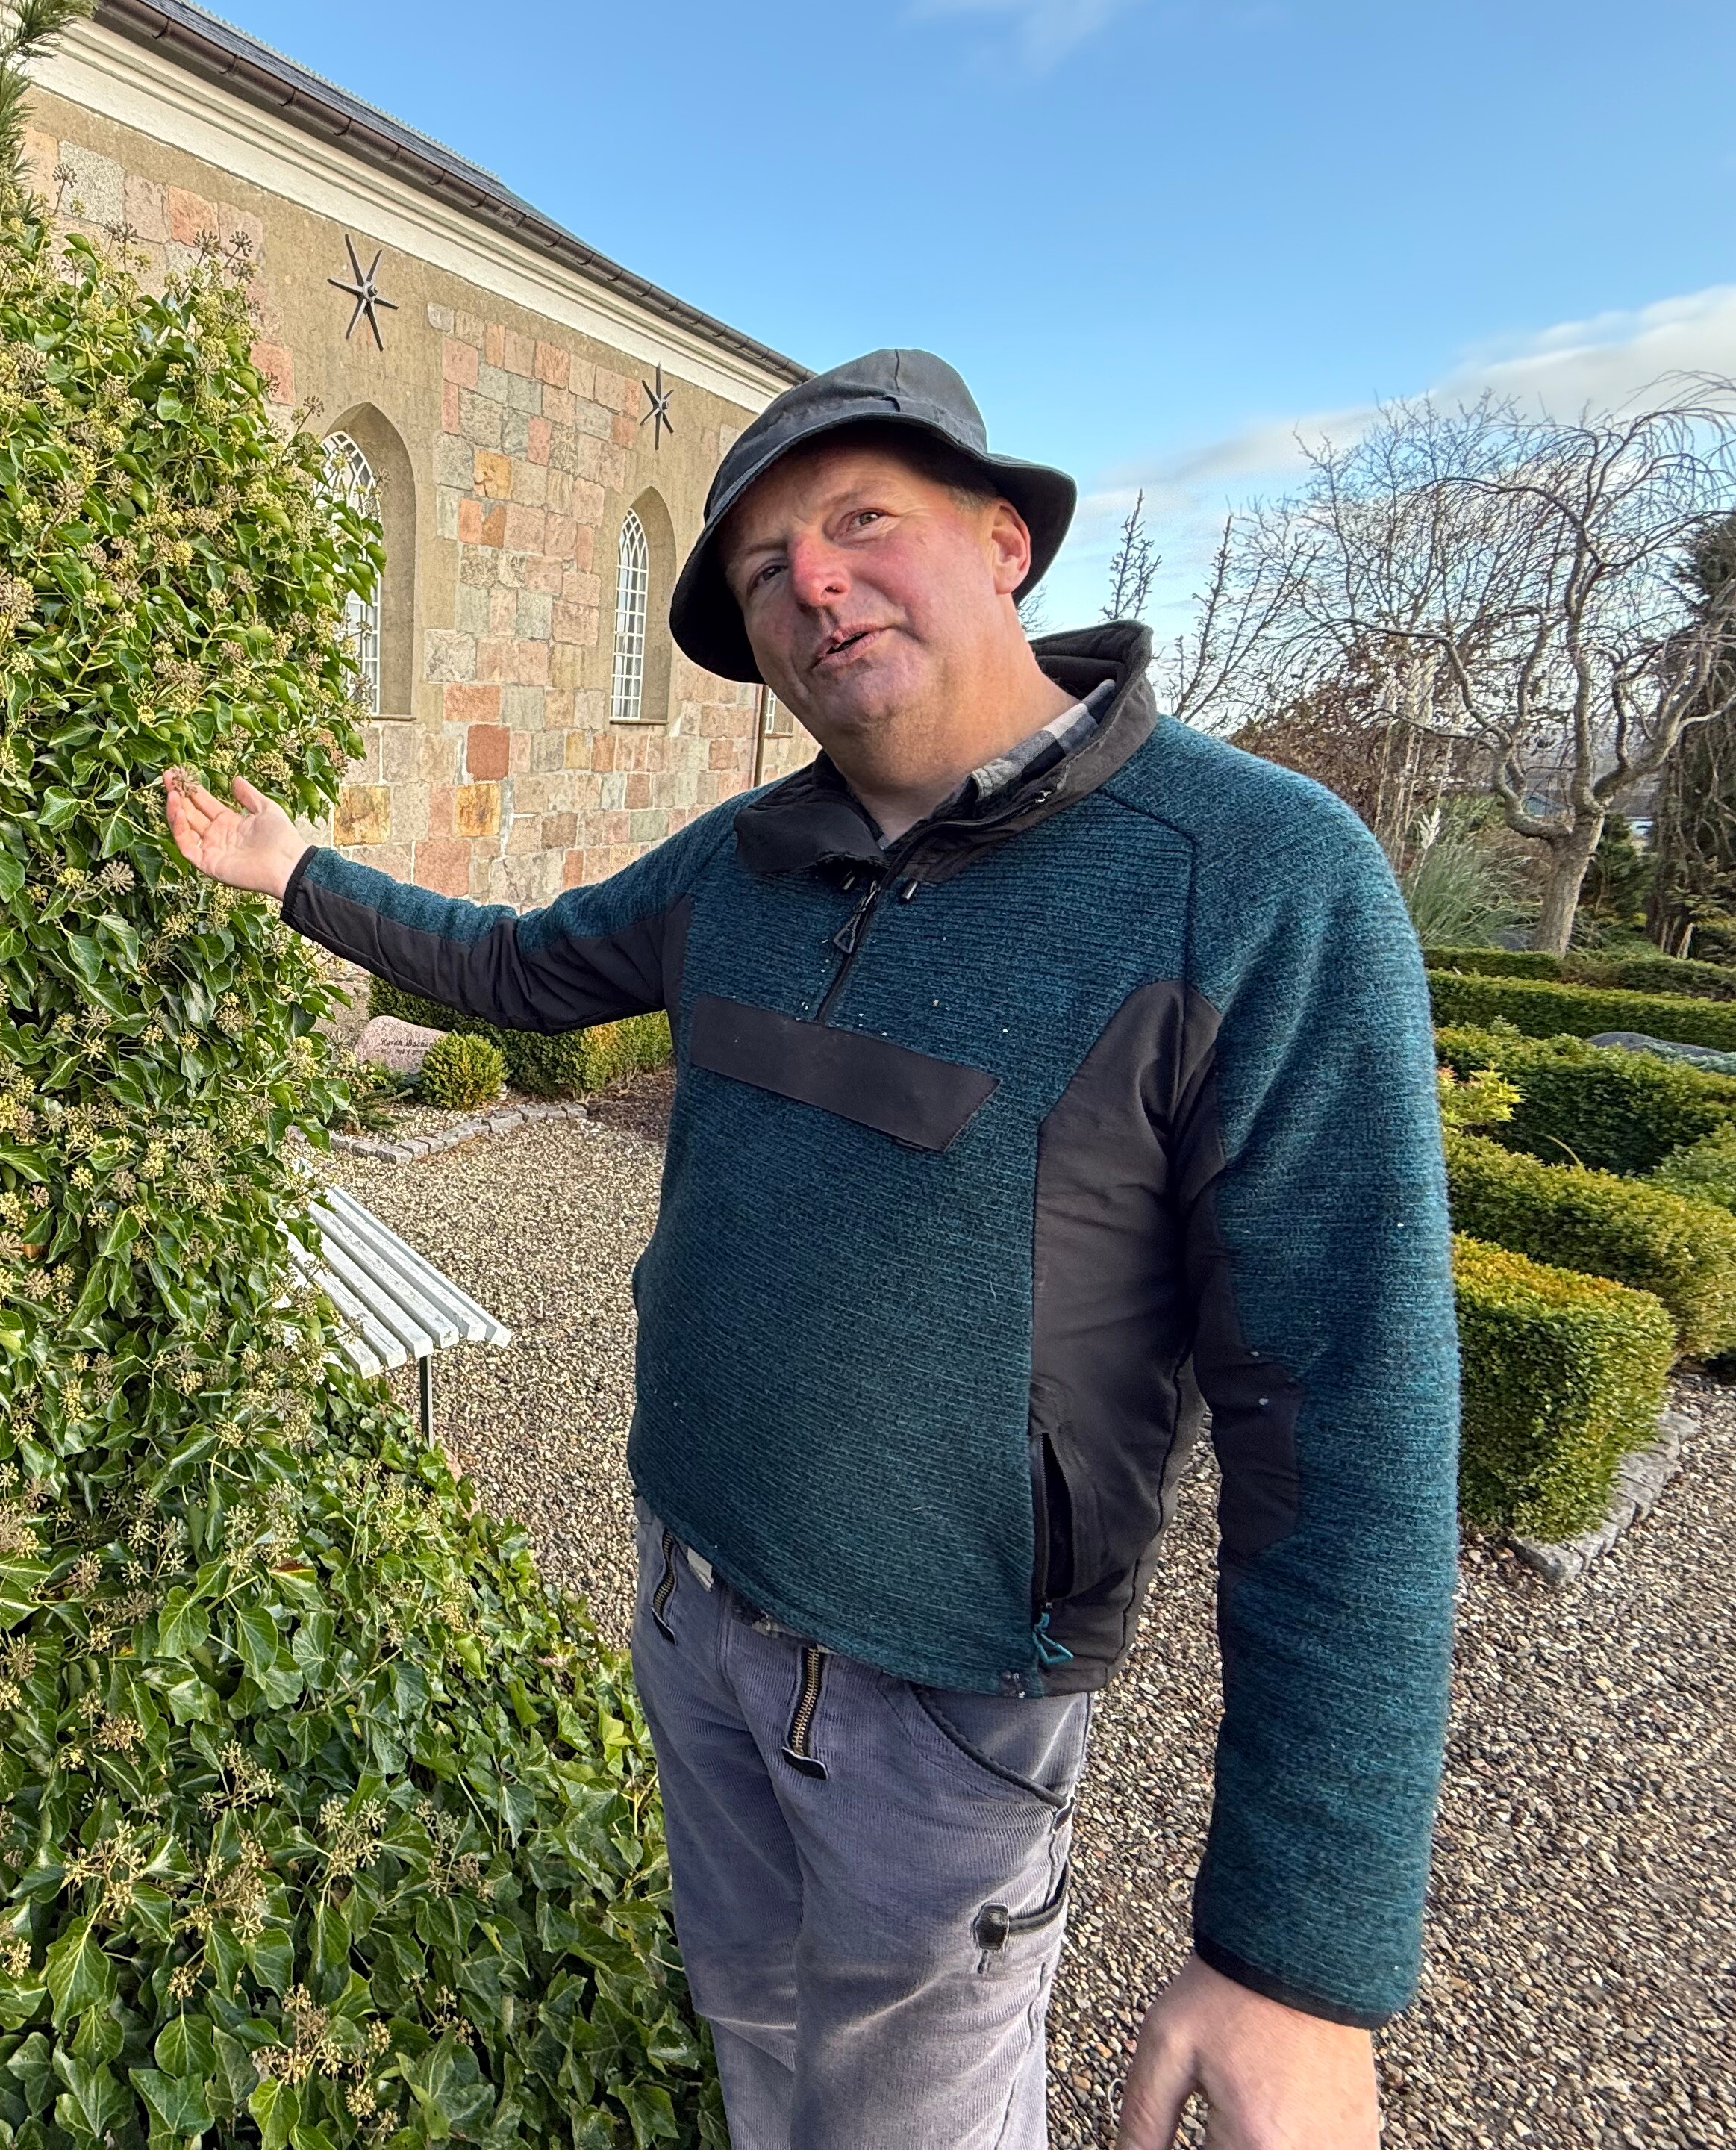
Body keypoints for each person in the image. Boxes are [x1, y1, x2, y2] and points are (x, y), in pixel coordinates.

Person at [161, 349, 1457, 2150]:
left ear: (1003, 543)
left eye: (861, 523)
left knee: (910, 2116)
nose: (814, 584)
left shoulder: (1249, 878)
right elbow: (523, 967)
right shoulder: (742, 862)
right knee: (753, 2024)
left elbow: (1354, 1419)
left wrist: (1297, 1960)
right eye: (767, 568)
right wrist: (300, 872)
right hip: (689, 1596)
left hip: (944, 1705)